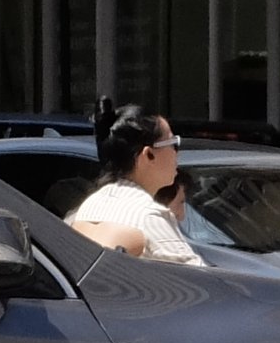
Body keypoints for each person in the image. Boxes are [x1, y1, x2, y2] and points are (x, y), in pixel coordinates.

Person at [64, 103, 205, 265]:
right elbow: (200, 279)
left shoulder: (89, 205)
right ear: (149, 155)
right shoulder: (148, 215)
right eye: (173, 143)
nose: (176, 153)